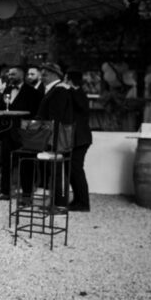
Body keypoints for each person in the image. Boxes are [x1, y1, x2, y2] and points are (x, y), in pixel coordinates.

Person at [0, 66, 43, 198]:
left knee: (26, 164)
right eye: (9, 74)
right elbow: (2, 108)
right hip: (7, 131)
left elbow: (35, 113)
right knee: (6, 163)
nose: (10, 76)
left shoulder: (32, 92)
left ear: (21, 76)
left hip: (24, 133)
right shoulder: (7, 90)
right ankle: (5, 192)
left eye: (13, 74)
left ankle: (27, 194)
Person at [35, 62, 75, 206]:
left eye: (45, 74)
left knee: (58, 172)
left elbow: (56, 118)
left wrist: (51, 140)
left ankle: (60, 204)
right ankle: (56, 202)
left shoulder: (59, 90)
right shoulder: (55, 89)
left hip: (56, 138)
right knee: (54, 171)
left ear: (54, 74)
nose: (42, 77)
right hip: (53, 136)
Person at [67, 70, 93, 212]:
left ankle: (83, 203)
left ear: (69, 79)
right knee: (73, 170)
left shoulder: (79, 94)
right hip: (78, 138)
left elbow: (82, 108)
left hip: (80, 139)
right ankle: (78, 200)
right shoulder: (78, 93)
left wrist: (70, 89)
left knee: (76, 170)